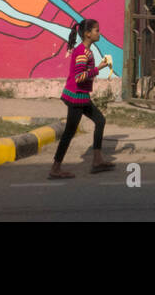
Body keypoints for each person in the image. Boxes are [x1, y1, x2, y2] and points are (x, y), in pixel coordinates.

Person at [48, 18, 115, 178]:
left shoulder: (85, 50)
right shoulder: (83, 52)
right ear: (87, 34)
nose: (99, 33)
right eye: (96, 30)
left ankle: (97, 160)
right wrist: (98, 69)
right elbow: (79, 77)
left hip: (80, 96)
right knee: (69, 133)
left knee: (100, 120)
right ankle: (55, 168)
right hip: (76, 98)